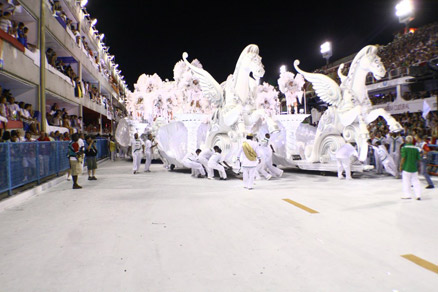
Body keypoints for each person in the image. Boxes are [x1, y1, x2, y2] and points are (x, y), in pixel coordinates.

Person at [400, 135, 421, 200]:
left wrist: (401, 166)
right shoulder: (416, 148)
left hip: (406, 167)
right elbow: (418, 159)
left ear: (406, 141)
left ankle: (407, 195)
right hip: (414, 168)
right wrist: (419, 167)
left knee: (406, 182)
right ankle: (418, 195)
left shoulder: (404, 148)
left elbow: (403, 158)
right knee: (416, 182)